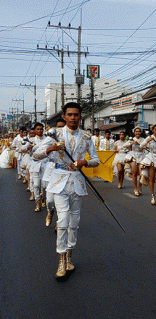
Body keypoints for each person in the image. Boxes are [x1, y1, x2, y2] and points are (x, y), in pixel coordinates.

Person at [33, 102, 99, 278]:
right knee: (62, 221)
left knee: (74, 223)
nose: (73, 118)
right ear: (64, 116)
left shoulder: (86, 137)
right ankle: (61, 260)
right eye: (69, 114)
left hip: (77, 182)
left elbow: (96, 160)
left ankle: (70, 256)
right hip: (59, 180)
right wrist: (51, 148)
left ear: (80, 117)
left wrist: (84, 162)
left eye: (76, 114)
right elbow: (35, 155)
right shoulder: (54, 134)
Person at [123, 126, 145, 196]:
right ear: (134, 132)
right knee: (134, 173)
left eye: (139, 131)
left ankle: (139, 187)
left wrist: (142, 144)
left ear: (140, 132)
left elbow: (147, 146)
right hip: (134, 156)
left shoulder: (143, 139)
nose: (137, 132)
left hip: (142, 156)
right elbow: (124, 145)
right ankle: (135, 188)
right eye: (136, 131)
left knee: (142, 173)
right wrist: (131, 143)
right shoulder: (131, 139)